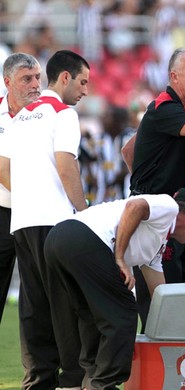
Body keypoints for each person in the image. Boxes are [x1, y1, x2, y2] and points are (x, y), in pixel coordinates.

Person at [43, 187, 185, 390]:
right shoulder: (169, 206)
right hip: (84, 238)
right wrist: (120, 258)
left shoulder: (158, 243)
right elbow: (135, 205)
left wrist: (175, 326)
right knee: (124, 313)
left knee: (90, 315)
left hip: (57, 238)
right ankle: (103, 384)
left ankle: (89, 378)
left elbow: (161, 293)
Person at [0, 49, 90, 390]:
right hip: (54, 221)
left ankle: (38, 381)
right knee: (64, 301)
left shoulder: (19, 117)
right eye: (82, 82)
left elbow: (3, 168)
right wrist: (84, 211)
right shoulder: (62, 113)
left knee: (33, 304)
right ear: (65, 78)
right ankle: (72, 378)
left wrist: (27, 198)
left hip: (20, 220)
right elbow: (66, 165)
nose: (85, 91)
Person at [120, 46, 185, 329]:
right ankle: (160, 371)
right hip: (153, 219)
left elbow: (127, 151)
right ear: (174, 76)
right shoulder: (163, 107)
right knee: (162, 306)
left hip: (178, 217)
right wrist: (146, 192)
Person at [0, 53, 41, 325]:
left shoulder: (46, 115)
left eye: (38, 77)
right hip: (4, 212)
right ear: (8, 82)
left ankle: (39, 368)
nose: (35, 84)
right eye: (27, 79)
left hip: (36, 214)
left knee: (37, 297)